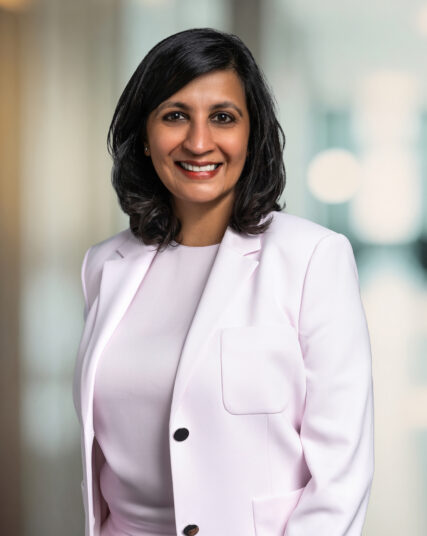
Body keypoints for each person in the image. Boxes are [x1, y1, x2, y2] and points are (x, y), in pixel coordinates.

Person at [73, 27, 374, 536]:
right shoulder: (104, 265)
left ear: (251, 134)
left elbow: (341, 475)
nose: (198, 141)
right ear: (144, 138)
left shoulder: (313, 258)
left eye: (223, 117)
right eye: (174, 116)